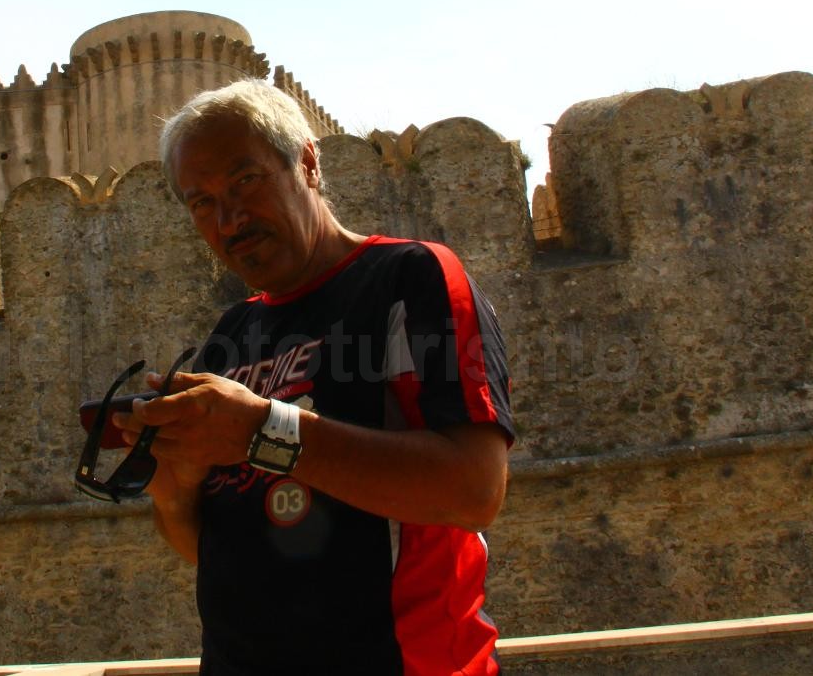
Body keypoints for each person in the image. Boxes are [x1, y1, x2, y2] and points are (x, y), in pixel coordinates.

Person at [115, 79, 515, 676]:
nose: (229, 218)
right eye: (201, 202)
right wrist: (173, 490)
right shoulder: (231, 334)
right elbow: (217, 549)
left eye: (245, 180)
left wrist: (259, 430)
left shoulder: (409, 279)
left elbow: (474, 490)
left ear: (306, 162)